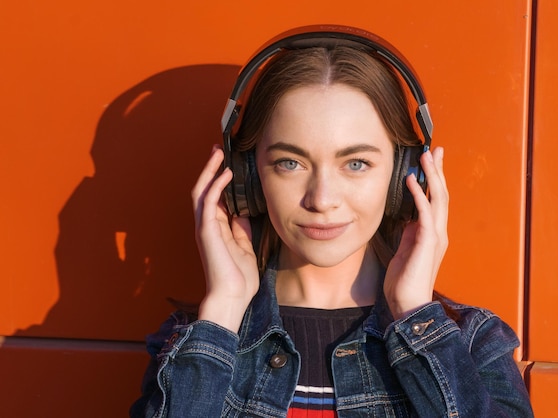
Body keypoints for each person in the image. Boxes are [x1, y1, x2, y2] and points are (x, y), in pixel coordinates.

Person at [130, 25, 534, 417]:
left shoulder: (471, 344)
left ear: (407, 177)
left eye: (356, 163)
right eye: (290, 162)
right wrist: (221, 314)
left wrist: (415, 315)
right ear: (247, 177)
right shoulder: (196, 342)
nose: (321, 199)